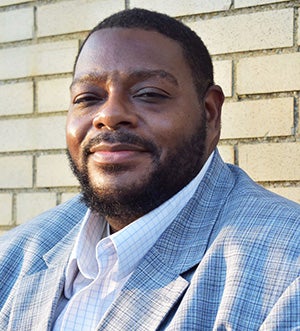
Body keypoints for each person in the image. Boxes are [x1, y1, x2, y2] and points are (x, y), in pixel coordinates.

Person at [0, 8, 299, 331]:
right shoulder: (16, 255)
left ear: (210, 114)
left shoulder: (287, 275)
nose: (109, 115)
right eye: (88, 97)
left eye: (149, 94)